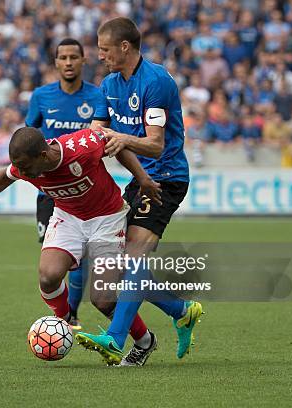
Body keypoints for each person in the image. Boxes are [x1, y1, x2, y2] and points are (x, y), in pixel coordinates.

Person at [0, 127, 162, 353]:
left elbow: (116, 143)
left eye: (25, 166)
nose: (22, 171)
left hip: (107, 218)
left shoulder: (82, 147)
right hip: (68, 217)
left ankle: (145, 341)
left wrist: (143, 178)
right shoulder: (26, 165)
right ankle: (64, 322)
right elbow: (2, 178)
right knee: (48, 277)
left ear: (43, 156)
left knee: (102, 301)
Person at [76, 17, 203, 366]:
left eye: (104, 50)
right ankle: (181, 309)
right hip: (138, 179)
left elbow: (156, 145)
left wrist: (122, 139)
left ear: (124, 47)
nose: (99, 56)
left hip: (166, 178)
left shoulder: (156, 81)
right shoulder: (109, 84)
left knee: (134, 258)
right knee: (123, 267)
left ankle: (116, 339)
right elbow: (97, 132)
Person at [25, 38, 101, 330]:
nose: (68, 62)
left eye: (73, 57)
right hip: (50, 192)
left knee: (78, 258)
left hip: (84, 189)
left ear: (84, 61)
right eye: (63, 58)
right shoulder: (42, 96)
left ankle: (71, 316)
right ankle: (67, 314)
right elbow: (28, 136)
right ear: (56, 63)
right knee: (53, 256)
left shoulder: (96, 97)